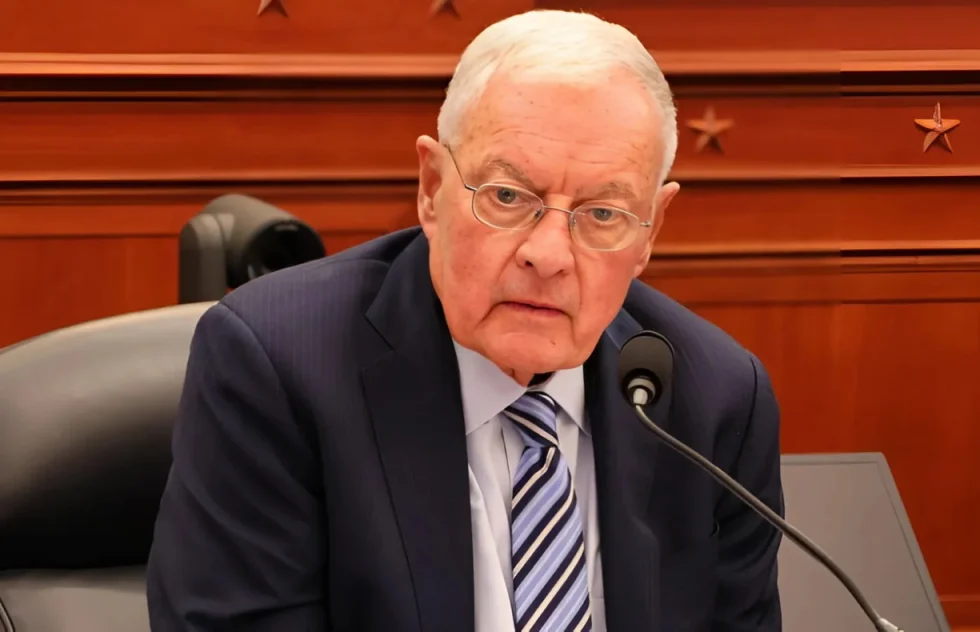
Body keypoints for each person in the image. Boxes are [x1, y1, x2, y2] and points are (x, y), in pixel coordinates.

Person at [147, 9, 784, 632]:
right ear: (431, 188)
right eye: (508, 196)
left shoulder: (716, 400)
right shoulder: (278, 368)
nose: (549, 255)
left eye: (603, 215)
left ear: (650, 231)